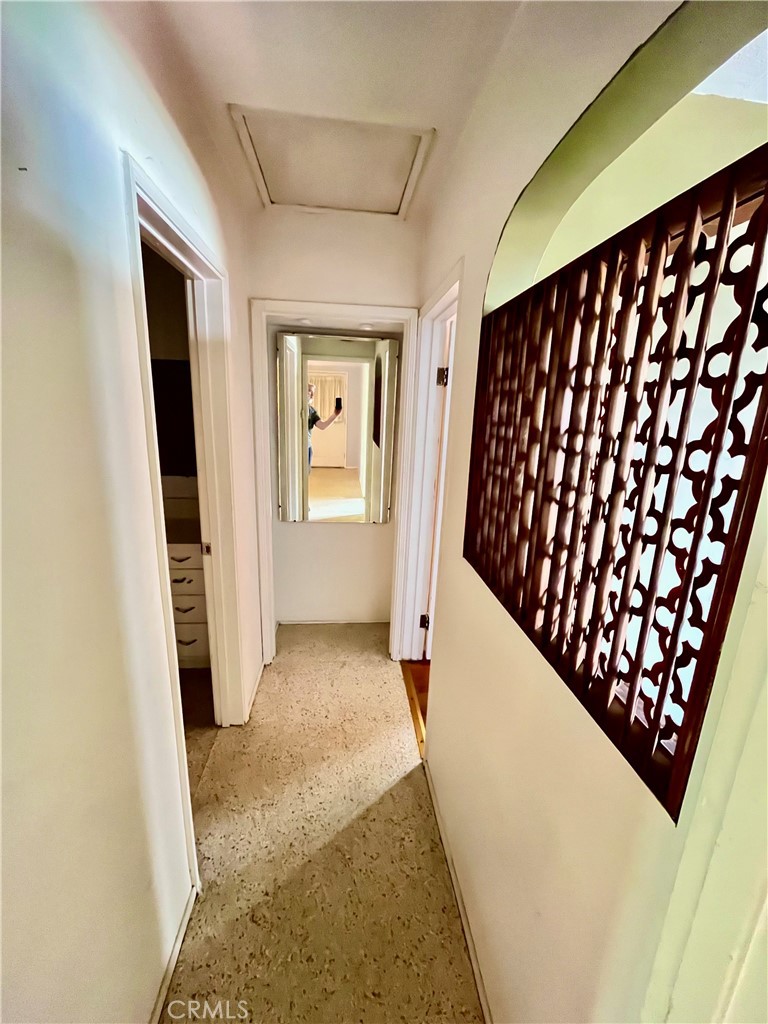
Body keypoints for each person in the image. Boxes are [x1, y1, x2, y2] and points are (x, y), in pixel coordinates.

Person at [306, 382, 340, 469]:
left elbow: (322, 426)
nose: (311, 395)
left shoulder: (312, 411)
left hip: (307, 447)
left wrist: (335, 414)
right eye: (309, 391)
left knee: (305, 472)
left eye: (312, 393)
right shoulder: (294, 408)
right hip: (295, 447)